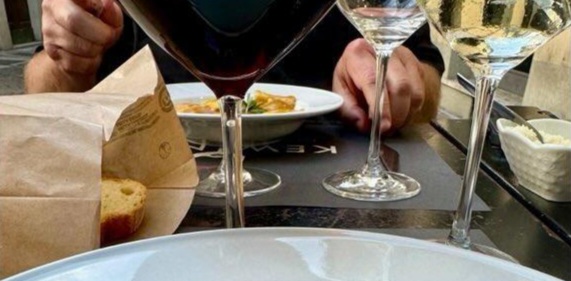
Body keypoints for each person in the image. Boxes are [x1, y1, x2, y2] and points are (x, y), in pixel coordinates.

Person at [24, 0, 443, 135]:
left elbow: (426, 83)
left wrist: (385, 69)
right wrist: (72, 58)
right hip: (162, 189)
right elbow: (43, 95)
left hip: (332, 206)